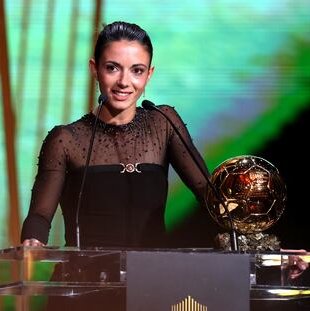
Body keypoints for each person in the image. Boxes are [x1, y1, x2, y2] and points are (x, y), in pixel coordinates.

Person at [20, 21, 210, 310]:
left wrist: (269, 252)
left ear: (149, 75)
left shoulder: (163, 123)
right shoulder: (66, 139)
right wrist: (32, 241)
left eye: (137, 70)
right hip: (82, 290)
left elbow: (213, 198)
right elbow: (40, 215)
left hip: (153, 289)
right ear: (94, 69)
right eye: (113, 68)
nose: (125, 82)